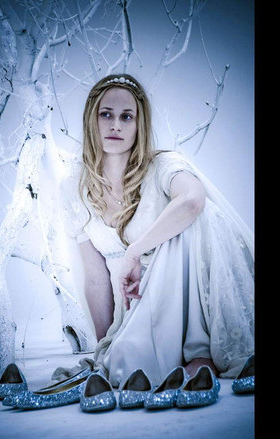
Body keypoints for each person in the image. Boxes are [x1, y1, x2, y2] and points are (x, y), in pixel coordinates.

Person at [61, 73, 255, 388]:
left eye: (127, 116)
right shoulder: (76, 186)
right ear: (91, 120)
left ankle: (200, 353)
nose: (115, 125)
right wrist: (104, 346)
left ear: (140, 125)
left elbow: (193, 200)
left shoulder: (162, 166)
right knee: (122, 360)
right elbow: (96, 278)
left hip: (186, 299)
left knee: (195, 219)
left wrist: (135, 251)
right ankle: (147, 357)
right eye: (106, 114)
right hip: (134, 304)